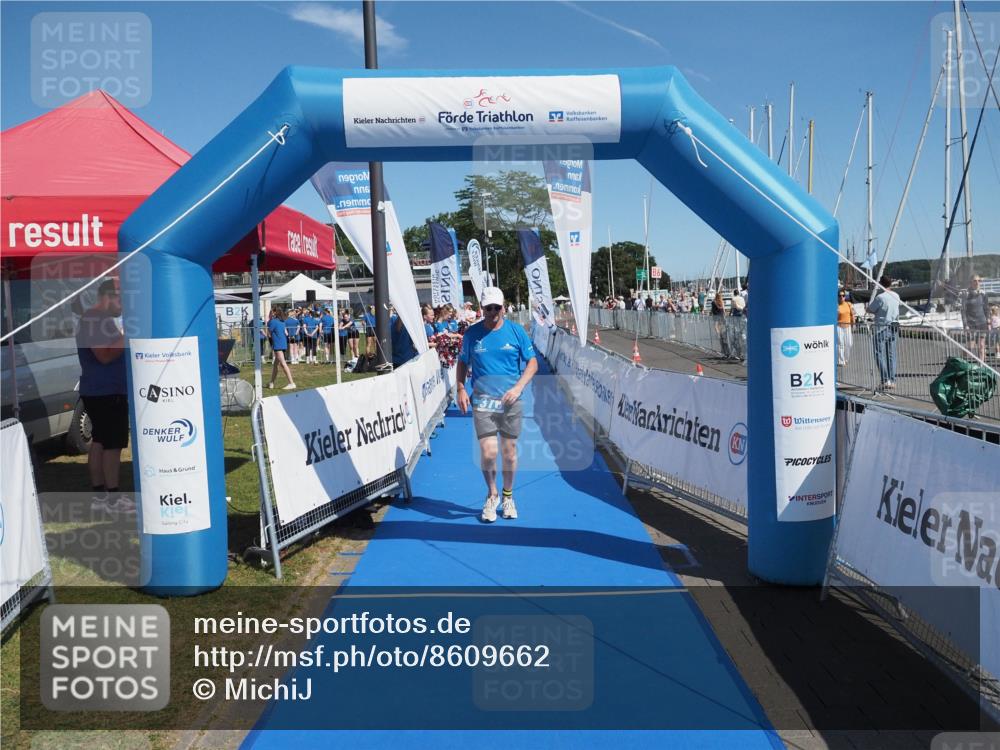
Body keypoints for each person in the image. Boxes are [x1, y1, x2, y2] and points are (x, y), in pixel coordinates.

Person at [457, 287, 538, 523]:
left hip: (510, 401)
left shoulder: (516, 332)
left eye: (496, 307)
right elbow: (462, 363)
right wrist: (461, 388)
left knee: (509, 454)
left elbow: (532, 363)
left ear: (503, 307)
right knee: (489, 452)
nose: (492, 312)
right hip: (482, 402)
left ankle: (508, 495)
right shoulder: (471, 335)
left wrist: (518, 388)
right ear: (481, 309)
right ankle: (492, 493)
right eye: (488, 308)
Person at [76, 279, 134, 514]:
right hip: (105, 391)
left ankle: (100, 496)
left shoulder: (100, 320)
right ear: (108, 296)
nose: (125, 306)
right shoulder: (94, 319)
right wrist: (129, 334)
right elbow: (104, 355)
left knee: (100, 442)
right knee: (112, 445)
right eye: (122, 299)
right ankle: (112, 498)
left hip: (103, 390)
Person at [867, 275, 901, 390]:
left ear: (881, 284)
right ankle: (892, 380)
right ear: (891, 284)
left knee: (878, 353)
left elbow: (870, 310)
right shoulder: (896, 295)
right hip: (894, 327)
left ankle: (885, 379)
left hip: (881, 328)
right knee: (891, 354)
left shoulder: (880, 297)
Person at [267, 309, 296, 390]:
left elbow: (268, 333)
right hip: (282, 343)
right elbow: (285, 332)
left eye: (271, 312)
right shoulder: (282, 321)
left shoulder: (272, 322)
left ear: (274, 313)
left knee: (283, 364)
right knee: (276, 364)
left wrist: (269, 318)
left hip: (278, 344)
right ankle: (271, 383)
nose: (270, 314)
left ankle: (291, 383)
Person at [963, 275, 990, 362]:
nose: (977, 282)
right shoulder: (966, 294)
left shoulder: (983, 293)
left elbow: (986, 308)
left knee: (981, 346)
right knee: (970, 346)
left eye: (979, 280)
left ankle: (981, 366)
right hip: (970, 323)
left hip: (982, 322)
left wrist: (988, 322)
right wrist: (965, 324)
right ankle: (963, 362)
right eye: (975, 280)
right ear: (971, 282)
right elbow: (963, 311)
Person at [836, 289, 855, 368]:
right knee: (840, 344)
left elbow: (852, 314)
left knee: (849, 343)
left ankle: (846, 359)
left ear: (845, 296)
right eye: (840, 296)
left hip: (847, 326)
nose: (841, 297)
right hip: (839, 326)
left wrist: (854, 324)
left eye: (843, 295)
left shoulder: (849, 304)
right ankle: (841, 361)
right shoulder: (836, 306)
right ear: (837, 297)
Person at [710, 292, 729, 358]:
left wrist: (711, 313)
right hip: (721, 315)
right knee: (721, 326)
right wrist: (725, 315)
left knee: (716, 325)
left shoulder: (713, 302)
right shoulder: (721, 301)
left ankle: (718, 334)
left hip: (716, 316)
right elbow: (723, 309)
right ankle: (721, 333)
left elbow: (712, 309)